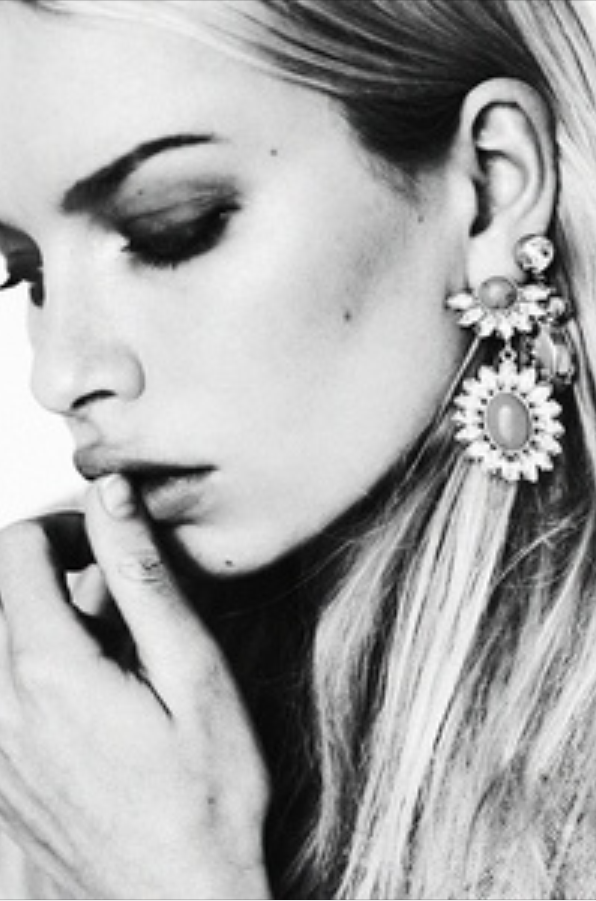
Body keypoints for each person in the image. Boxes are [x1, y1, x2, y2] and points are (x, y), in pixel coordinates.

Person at [0, 0, 594, 897]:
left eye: (175, 229)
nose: (60, 374)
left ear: (492, 184)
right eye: (25, 272)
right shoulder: (60, 730)